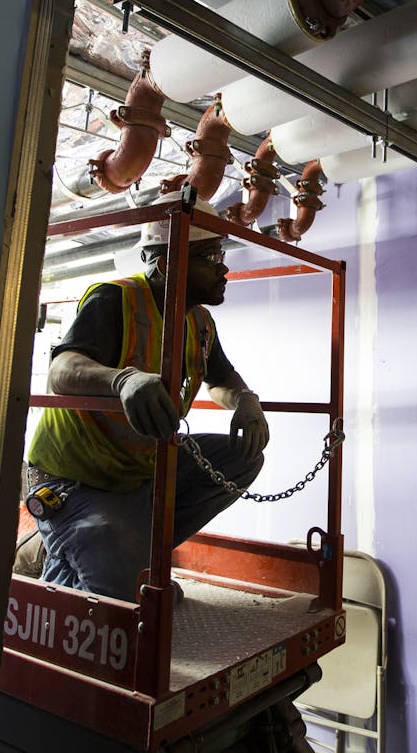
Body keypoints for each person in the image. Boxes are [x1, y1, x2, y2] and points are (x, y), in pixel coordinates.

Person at [22, 197, 269, 601]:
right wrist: (123, 381)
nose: (223, 267)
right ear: (167, 263)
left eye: (220, 254)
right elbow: (61, 370)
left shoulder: (200, 322)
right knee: (139, 605)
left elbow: (221, 379)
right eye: (210, 256)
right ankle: (62, 549)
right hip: (76, 478)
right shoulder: (115, 299)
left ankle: (130, 549)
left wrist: (246, 400)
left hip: (138, 473)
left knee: (242, 457)